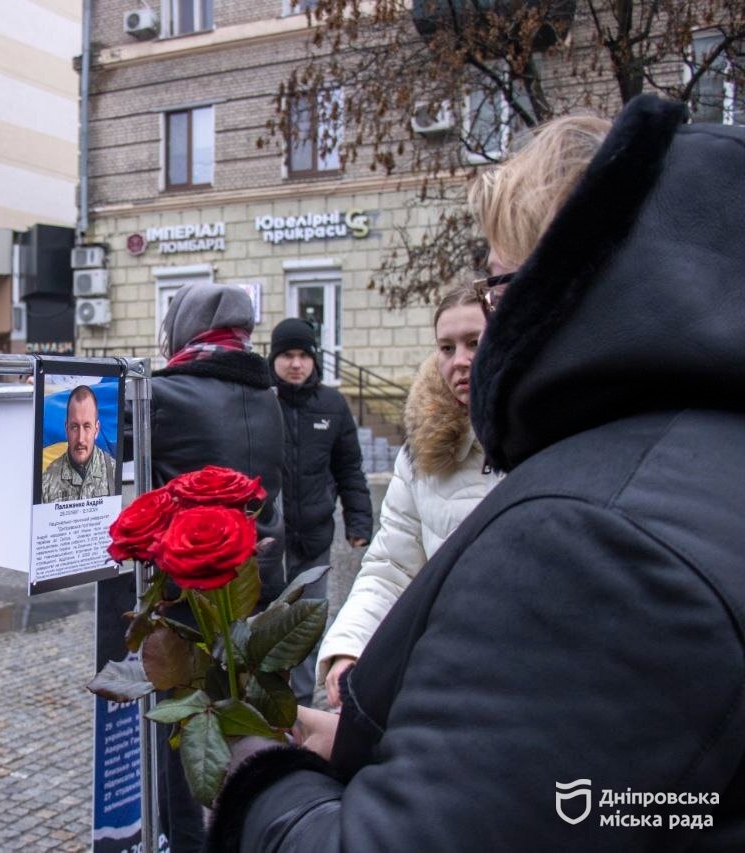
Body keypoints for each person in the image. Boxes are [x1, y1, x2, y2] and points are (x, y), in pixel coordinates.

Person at [207, 95, 745, 850]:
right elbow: (571, 791)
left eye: (498, 288)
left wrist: (261, 777)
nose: (470, 355)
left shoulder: (588, 534)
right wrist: (361, 698)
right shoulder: (686, 448)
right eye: (448, 345)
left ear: (552, 283)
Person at [144, 282, 287, 852]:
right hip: (259, 584)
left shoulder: (165, 394)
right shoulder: (267, 394)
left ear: (184, 328)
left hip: (193, 598)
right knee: (247, 724)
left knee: (189, 744)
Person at [316, 283, 500, 708]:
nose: (460, 361)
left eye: (474, 342)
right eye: (446, 347)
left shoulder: (548, 436)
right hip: (448, 674)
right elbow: (391, 567)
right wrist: (351, 648)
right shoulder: (422, 453)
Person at [268, 317, 372, 707]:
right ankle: (263, 704)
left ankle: (298, 707)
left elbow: (349, 468)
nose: (296, 364)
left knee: (307, 627)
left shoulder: (332, 405)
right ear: (274, 358)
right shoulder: (260, 401)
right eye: (287, 355)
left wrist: (359, 521)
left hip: (314, 538)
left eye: (303, 355)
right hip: (267, 541)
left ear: (314, 359)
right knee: (266, 627)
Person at [40, 385, 117, 502]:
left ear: (96, 429)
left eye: (87, 426)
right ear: (66, 429)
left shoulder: (113, 471)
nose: (81, 439)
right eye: (74, 427)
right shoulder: (47, 481)